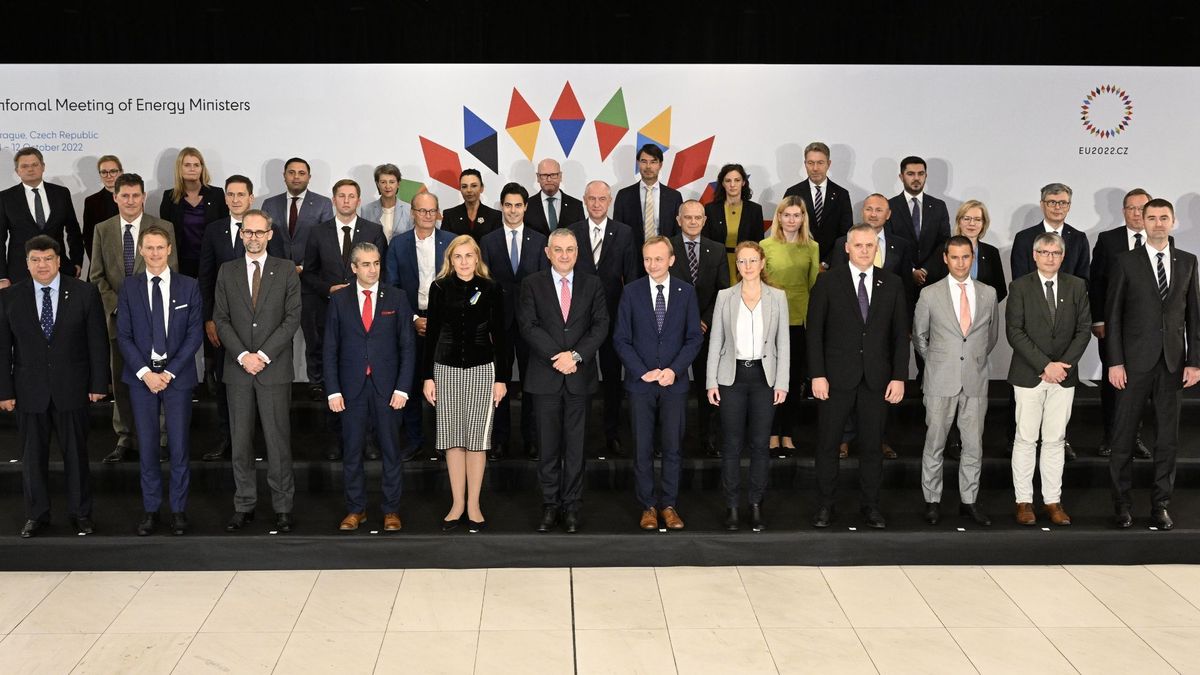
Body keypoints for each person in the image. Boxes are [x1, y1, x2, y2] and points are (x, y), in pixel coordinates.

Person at [0, 235, 108, 537]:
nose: (42, 265)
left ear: (59, 261)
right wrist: (4, 391)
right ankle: (36, 515)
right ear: (27, 263)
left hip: (72, 388)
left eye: (48, 259)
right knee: (32, 459)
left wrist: (99, 383)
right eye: (35, 259)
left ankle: (81, 514)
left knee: (76, 455)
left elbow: (97, 343)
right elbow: (2, 348)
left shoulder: (85, 293)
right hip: (28, 390)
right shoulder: (10, 297)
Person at [807, 225, 910, 529]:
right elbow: (814, 333)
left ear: (876, 249)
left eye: (870, 245)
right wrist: (817, 375)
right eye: (859, 245)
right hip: (835, 378)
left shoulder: (892, 283)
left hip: (877, 380)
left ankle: (871, 506)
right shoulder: (827, 282)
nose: (865, 250)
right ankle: (825, 505)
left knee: (871, 446)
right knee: (828, 444)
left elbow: (899, 335)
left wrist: (899, 376)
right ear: (847, 248)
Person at [1107, 198, 1200, 530]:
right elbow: (1113, 316)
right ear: (1141, 221)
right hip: (1133, 364)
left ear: (1173, 222)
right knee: (1123, 437)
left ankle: (1160, 504)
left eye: (1164, 217)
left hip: (1173, 364)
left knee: (1167, 440)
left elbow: (1193, 317)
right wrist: (1115, 361)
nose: (1158, 223)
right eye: (1152, 217)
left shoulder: (1188, 261)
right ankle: (1122, 504)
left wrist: (1194, 361)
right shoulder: (1125, 262)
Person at [213, 209, 302, 533]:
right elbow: (220, 319)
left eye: (259, 232)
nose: (253, 237)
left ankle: (282, 507)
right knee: (241, 442)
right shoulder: (227, 271)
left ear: (270, 234)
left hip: (273, 369)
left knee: (278, 442)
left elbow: (292, 318)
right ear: (241, 235)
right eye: (247, 232)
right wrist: (242, 356)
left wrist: (262, 355)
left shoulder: (286, 269)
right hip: (238, 371)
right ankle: (244, 504)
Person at [519, 228, 609, 533]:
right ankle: (549, 505)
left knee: (575, 448)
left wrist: (577, 356)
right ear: (547, 252)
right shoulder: (532, 284)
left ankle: (571, 507)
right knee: (547, 447)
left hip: (579, 378)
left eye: (570, 249)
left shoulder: (592, 284)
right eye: (558, 249)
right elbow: (528, 326)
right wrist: (559, 356)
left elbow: (600, 325)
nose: (564, 255)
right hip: (545, 377)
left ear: (577, 252)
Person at [116, 226, 203, 536]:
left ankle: (178, 510)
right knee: (148, 446)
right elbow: (123, 336)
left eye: (159, 247)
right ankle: (151, 510)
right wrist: (146, 374)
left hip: (176, 377)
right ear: (141, 250)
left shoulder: (188, 286)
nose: (154, 253)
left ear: (169, 250)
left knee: (179, 446)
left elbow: (194, 334)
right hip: (141, 378)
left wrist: (167, 373)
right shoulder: (129, 287)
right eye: (148, 248)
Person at [324, 242, 415, 533]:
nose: (372, 269)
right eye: (365, 264)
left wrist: (402, 388)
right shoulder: (339, 300)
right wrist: (333, 390)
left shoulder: (397, 298)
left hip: (388, 389)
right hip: (350, 390)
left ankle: (391, 510)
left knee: (391, 451)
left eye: (376, 263)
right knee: (352, 452)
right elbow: (329, 348)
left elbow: (408, 347)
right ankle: (356, 509)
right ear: (353, 268)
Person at [613, 236, 703, 531]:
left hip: (673, 385)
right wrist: (643, 371)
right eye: (648, 259)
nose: (652, 264)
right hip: (641, 385)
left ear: (671, 260)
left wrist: (674, 370)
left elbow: (693, 337)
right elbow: (621, 339)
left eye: (658, 259)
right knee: (642, 447)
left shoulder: (686, 292)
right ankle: (648, 506)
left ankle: (668, 505)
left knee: (672, 447)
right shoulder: (631, 291)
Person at [422, 235, 509, 533]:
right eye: (457, 257)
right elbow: (431, 333)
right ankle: (457, 504)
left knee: (476, 441)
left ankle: (474, 505)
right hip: (444, 370)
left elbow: (502, 336)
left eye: (468, 256)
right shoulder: (439, 288)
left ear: (477, 258)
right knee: (453, 440)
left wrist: (502, 378)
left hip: (482, 370)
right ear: (450, 259)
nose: (463, 262)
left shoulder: (491, 289)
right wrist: (427, 376)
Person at [90, 173, 178, 464]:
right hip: (118, 320)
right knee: (123, 379)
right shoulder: (102, 229)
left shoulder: (163, 227)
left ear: (143, 197)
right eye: (124, 195)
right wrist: (119, 307)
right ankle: (125, 437)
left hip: (156, 319)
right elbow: (97, 276)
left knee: (160, 377)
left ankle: (161, 438)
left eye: (135, 195)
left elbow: (170, 272)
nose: (130, 201)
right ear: (115, 197)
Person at [913, 236, 1000, 527]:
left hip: (975, 380)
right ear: (946, 259)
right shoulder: (930, 294)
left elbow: (991, 337)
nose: (961, 263)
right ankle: (932, 501)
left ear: (972, 257)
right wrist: (940, 361)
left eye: (966, 257)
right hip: (940, 379)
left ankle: (969, 501)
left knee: (974, 445)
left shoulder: (988, 294)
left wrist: (971, 360)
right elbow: (920, 337)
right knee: (934, 443)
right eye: (955, 257)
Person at [197, 175, 285, 462]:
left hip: (264, 331)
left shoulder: (270, 230)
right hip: (227, 326)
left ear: (251, 197)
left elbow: (281, 277)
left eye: (241, 194)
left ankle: (258, 442)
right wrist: (210, 318)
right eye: (230, 194)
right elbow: (207, 275)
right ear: (225, 198)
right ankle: (229, 439)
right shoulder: (214, 230)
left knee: (264, 393)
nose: (235, 199)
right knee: (229, 386)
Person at [1006, 232, 1090, 527]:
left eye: (1055, 253)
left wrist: (1060, 367)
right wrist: (1045, 365)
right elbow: (1014, 331)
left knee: (1055, 440)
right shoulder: (1019, 287)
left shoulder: (1077, 286)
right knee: (1026, 439)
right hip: (1029, 374)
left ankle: (1052, 501)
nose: (1050, 257)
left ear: (1063, 256)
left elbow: (1083, 330)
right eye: (1044, 252)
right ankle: (1024, 502)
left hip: (1063, 377)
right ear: (1035, 255)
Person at [706, 241, 789, 532]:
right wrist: (710, 381)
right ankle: (731, 506)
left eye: (753, 260)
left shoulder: (777, 297)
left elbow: (783, 343)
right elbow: (716, 340)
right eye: (742, 261)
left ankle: (755, 504)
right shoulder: (725, 296)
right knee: (730, 445)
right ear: (737, 265)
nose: (748, 266)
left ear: (762, 262)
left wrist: (783, 382)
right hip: (732, 378)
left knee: (759, 445)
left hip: (765, 380)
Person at [303, 179, 387, 460]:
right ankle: (336, 440)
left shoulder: (373, 231)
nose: (347, 200)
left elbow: (379, 273)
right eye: (342, 196)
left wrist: (353, 291)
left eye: (352, 196)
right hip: (330, 315)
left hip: (366, 317)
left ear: (359, 200)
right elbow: (309, 273)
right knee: (335, 379)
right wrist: (329, 290)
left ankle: (370, 441)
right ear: (334, 199)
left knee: (369, 378)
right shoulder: (317, 232)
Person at [828, 195, 916, 460]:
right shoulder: (841, 243)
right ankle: (845, 439)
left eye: (880, 209)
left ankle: (880, 439)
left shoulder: (901, 245)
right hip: (849, 334)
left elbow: (907, 290)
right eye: (869, 208)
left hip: (885, 332)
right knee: (848, 386)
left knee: (880, 389)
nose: (873, 213)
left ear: (888, 214)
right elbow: (836, 285)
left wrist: (907, 323)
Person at [1010, 183, 1090, 461]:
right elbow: (1020, 282)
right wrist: (1043, 363)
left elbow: (1083, 282)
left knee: (1055, 433)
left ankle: (1061, 442)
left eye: (1064, 202)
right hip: (1032, 344)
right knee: (1025, 433)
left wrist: (1061, 364)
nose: (1058, 206)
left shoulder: (1078, 239)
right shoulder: (1024, 238)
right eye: (1053, 201)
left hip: (1065, 342)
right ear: (1042, 203)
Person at [569, 180, 638, 456]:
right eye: (592, 199)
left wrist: (629, 317)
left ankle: (612, 433)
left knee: (612, 379)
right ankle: (579, 434)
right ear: (584, 200)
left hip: (612, 317)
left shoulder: (624, 232)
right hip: (578, 320)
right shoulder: (571, 232)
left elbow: (632, 277)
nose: (597, 204)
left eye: (602, 199)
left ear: (610, 202)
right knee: (580, 379)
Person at [480, 182, 548, 460]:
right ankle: (500, 439)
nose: (513, 210)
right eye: (508, 205)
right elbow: (483, 285)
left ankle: (532, 439)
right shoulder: (489, 240)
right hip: (500, 323)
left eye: (518, 205)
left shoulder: (540, 239)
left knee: (532, 384)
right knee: (500, 383)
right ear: (501, 207)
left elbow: (545, 287)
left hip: (532, 325)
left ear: (525, 207)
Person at [386, 191, 455, 457]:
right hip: (410, 322)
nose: (427, 216)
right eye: (421, 211)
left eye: (432, 211)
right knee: (412, 384)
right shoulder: (398, 244)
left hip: (446, 325)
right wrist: (414, 319)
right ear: (412, 212)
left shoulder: (451, 242)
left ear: (438, 213)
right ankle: (414, 440)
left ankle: (444, 443)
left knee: (445, 386)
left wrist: (438, 320)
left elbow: (459, 285)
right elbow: (392, 287)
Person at [261, 157, 334, 398]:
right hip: (276, 281)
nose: (296, 176)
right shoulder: (269, 204)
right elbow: (265, 240)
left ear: (309, 177)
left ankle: (316, 381)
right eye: (291, 172)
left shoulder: (322, 204)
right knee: (279, 335)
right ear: (284, 176)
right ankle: (282, 381)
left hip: (310, 281)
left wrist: (303, 266)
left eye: (301, 173)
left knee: (314, 335)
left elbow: (326, 240)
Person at [1090, 188, 1154, 459]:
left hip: (1147, 330)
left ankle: (1134, 437)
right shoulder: (1108, 239)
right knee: (1112, 382)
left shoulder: (1162, 239)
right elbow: (1096, 282)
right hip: (1113, 327)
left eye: (1143, 208)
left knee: (1140, 385)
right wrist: (1098, 319)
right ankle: (1110, 437)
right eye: (1132, 208)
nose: (1137, 213)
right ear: (1123, 211)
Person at [669, 200, 729, 457]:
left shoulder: (716, 250)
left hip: (707, 329)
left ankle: (708, 439)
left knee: (708, 388)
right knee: (673, 390)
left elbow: (723, 291)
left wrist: (704, 319)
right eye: (688, 217)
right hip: (674, 331)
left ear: (705, 221)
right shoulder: (666, 247)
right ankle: (672, 441)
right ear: (678, 219)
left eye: (698, 218)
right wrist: (686, 322)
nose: (693, 222)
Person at [760, 196, 820, 454]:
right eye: (787, 215)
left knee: (793, 381)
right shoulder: (766, 245)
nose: (791, 220)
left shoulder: (812, 247)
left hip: (799, 319)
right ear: (779, 217)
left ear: (803, 218)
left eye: (797, 215)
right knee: (771, 380)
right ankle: (772, 433)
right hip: (770, 319)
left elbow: (813, 285)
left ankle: (788, 434)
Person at [0, 148, 84, 286]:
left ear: (43, 166)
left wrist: (76, 262)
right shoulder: (5, 198)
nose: (30, 169)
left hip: (60, 269)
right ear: (17, 171)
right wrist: (2, 277)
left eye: (35, 165)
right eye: (25, 166)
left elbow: (73, 230)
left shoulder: (61, 193)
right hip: (20, 273)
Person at [158, 147, 228, 278]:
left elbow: (224, 228)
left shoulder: (216, 194)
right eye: (187, 165)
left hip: (212, 261)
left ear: (202, 168)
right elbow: (166, 233)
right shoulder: (169, 197)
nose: (192, 168)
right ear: (180, 168)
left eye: (196, 165)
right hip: (181, 262)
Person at [783, 142, 853, 266]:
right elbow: (785, 230)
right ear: (805, 164)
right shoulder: (793, 192)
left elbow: (845, 235)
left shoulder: (841, 195)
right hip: (797, 263)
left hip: (831, 266)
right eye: (810, 163)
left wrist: (826, 263)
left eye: (820, 163)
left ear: (828, 164)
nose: (815, 168)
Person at [887, 156, 951, 291]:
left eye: (920, 174)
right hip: (900, 281)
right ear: (901, 176)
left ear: (926, 176)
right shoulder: (890, 206)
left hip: (933, 281)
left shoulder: (939, 206)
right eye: (910, 174)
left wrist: (925, 270)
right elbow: (889, 242)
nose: (916, 178)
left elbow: (944, 242)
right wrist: (911, 270)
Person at [702, 163, 765, 286]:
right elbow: (706, 243)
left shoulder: (754, 210)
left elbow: (758, 243)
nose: (732, 185)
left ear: (743, 183)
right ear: (722, 183)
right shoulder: (710, 209)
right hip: (716, 266)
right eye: (728, 180)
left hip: (746, 266)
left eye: (737, 180)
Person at [613, 144, 682, 248]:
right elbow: (618, 231)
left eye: (653, 162)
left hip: (664, 257)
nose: (648, 166)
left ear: (660, 165)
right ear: (638, 163)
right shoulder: (624, 195)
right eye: (644, 161)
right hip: (632, 257)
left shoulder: (674, 197)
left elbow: (678, 232)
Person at [525, 159, 583, 235]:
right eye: (544, 175)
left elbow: (581, 236)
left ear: (560, 176)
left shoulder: (576, 206)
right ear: (538, 177)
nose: (549, 179)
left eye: (553, 175)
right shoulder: (527, 205)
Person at [441, 169, 501, 241]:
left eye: (474, 186)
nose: (469, 190)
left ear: (481, 188)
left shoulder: (494, 216)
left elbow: (497, 245)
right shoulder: (449, 215)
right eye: (464, 186)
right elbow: (444, 244)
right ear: (460, 189)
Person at [360, 163, 414, 241]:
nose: (388, 186)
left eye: (392, 182)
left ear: (398, 184)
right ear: (377, 184)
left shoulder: (409, 209)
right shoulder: (366, 209)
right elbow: (364, 239)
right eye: (383, 182)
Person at [82, 155, 122, 257]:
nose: (109, 176)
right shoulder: (91, 202)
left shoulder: (133, 198)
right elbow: (89, 237)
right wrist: (97, 263)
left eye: (113, 171)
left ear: (120, 172)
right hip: (102, 260)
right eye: (104, 172)